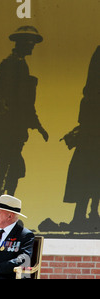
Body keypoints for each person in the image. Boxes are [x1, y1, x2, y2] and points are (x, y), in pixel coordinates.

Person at [0, 26, 49, 230]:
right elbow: (19, 102)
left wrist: (36, 125)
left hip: (12, 133)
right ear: (21, 43)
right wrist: (34, 124)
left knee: (10, 174)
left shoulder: (17, 64)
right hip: (7, 134)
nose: (32, 47)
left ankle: (2, 220)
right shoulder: (13, 65)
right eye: (29, 43)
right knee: (4, 176)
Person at [61, 45, 100, 231]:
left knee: (88, 176)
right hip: (92, 137)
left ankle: (86, 214)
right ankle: (88, 214)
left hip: (89, 137)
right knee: (91, 175)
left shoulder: (88, 97)